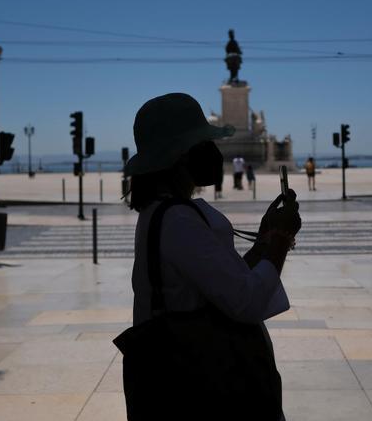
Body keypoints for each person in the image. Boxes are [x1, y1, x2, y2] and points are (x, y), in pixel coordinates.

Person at [120, 93, 300, 420]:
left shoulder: (164, 213)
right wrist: (280, 239)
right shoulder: (177, 220)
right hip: (200, 385)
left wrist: (264, 240)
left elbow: (220, 284)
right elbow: (246, 300)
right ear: (180, 156)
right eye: (203, 143)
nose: (214, 152)